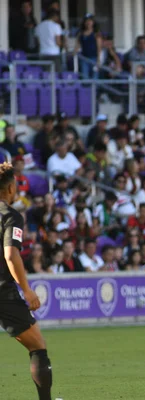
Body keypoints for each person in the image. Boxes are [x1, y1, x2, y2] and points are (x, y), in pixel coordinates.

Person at [0, 162, 53, 400]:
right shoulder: (10, 216)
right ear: (10, 188)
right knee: (37, 346)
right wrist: (27, 290)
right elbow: (11, 254)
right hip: (3, 291)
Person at [72, 13, 102, 79]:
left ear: (93, 22)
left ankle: (94, 89)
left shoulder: (96, 33)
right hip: (84, 58)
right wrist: (74, 52)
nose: (88, 23)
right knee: (85, 77)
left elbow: (99, 47)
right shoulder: (81, 33)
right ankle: (87, 89)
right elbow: (78, 45)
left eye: (90, 21)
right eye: (87, 21)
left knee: (95, 77)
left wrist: (99, 59)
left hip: (94, 58)